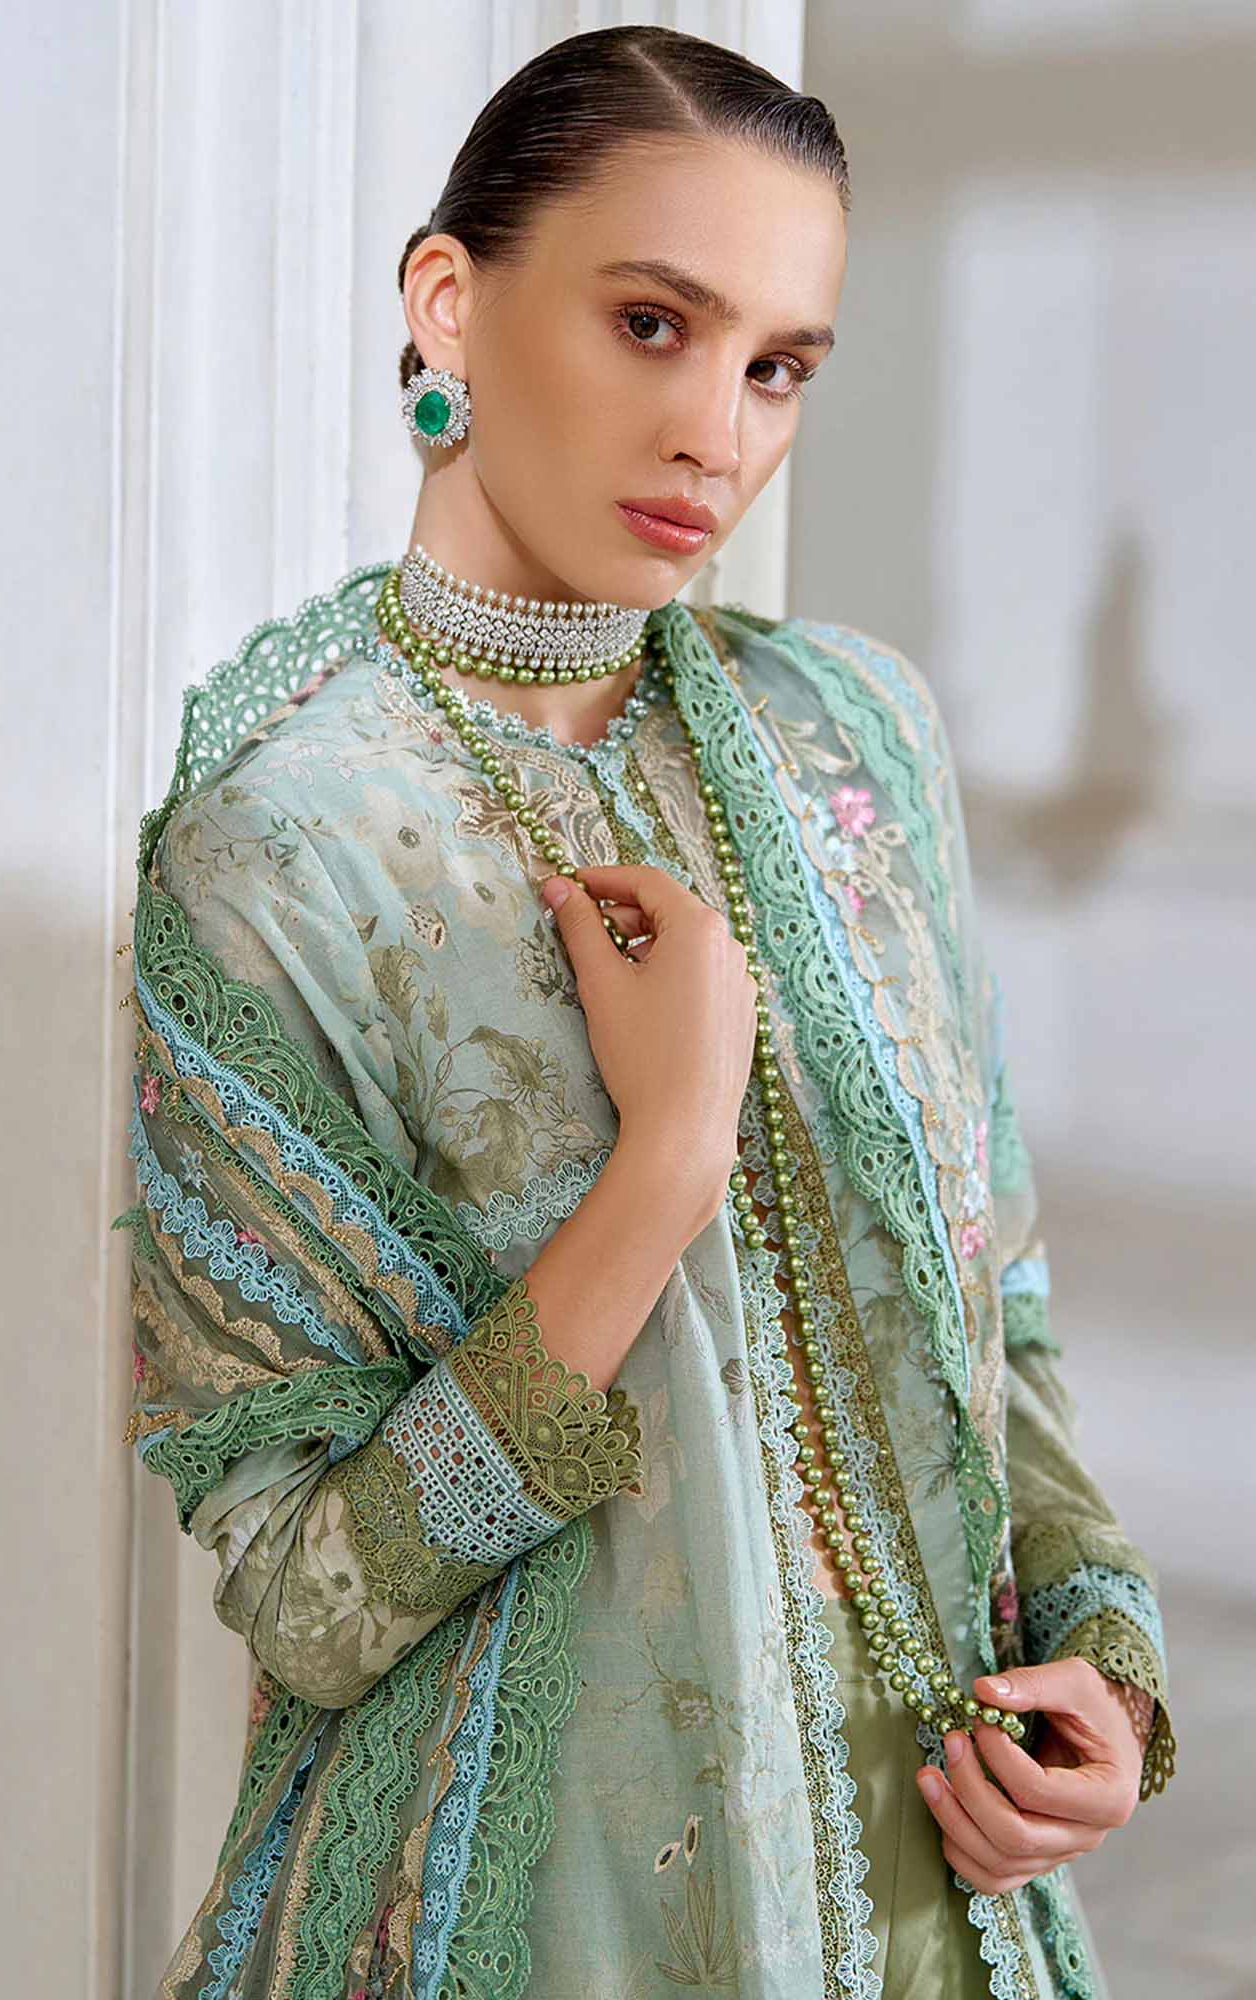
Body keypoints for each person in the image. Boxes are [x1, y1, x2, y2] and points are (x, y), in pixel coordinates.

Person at [119, 24, 1175, 2000]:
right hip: (548, 1925)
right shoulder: (281, 854)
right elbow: (313, 1596)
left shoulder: (852, 735)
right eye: (652, 324)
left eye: (777, 365)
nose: (717, 433)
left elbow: (998, 1304)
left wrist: (1103, 1659)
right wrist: (666, 1156)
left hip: (936, 1901)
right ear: (450, 302)